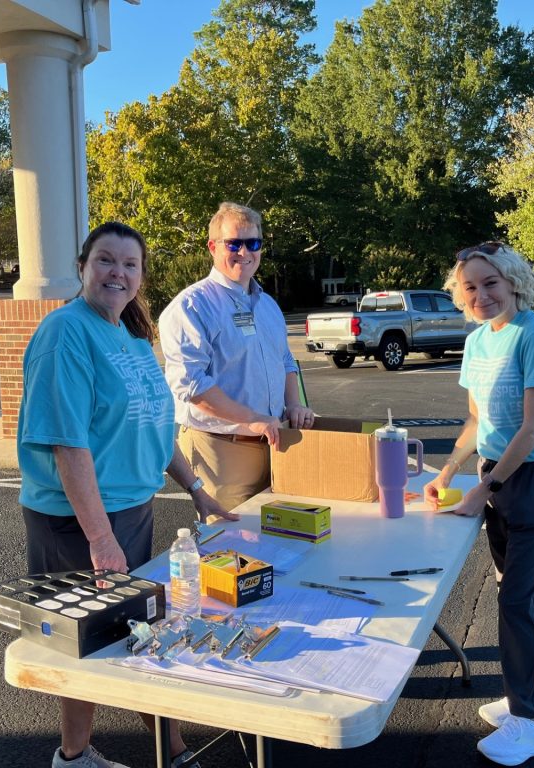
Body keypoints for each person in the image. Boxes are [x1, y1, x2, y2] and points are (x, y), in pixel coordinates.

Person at [18, 221, 232, 768]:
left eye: (129, 264)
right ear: (83, 267)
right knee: (84, 644)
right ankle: (75, 756)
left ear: (140, 276)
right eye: (106, 261)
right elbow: (69, 446)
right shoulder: (66, 332)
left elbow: (155, 431)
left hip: (130, 514)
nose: (118, 272)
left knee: (141, 632)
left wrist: (198, 490)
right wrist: (100, 538)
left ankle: (171, 749)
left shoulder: (131, 339)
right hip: (77, 523)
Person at [423, 241, 534, 767]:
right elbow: (478, 423)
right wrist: (448, 471)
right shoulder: (477, 342)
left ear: (513, 282)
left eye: (491, 282)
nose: (481, 294)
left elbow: (533, 429)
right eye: (470, 286)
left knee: (515, 599)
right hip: (499, 473)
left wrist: (482, 490)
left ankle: (533, 721)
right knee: (513, 591)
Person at [159, 202, 315, 510]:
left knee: (281, 544)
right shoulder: (192, 306)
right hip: (222, 449)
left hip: (278, 444)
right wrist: (253, 419)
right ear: (213, 246)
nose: (244, 252)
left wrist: (294, 404)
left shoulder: (268, 305)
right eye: (234, 243)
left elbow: (285, 361)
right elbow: (190, 386)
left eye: (253, 243)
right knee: (230, 549)